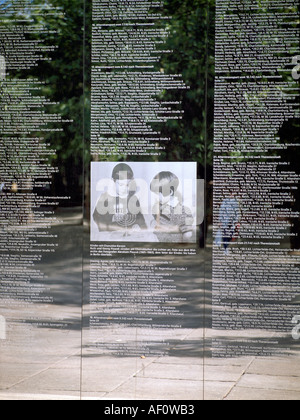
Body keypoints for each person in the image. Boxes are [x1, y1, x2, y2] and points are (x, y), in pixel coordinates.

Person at [93, 163, 147, 236]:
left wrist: (139, 228)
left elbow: (142, 223)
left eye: (127, 185)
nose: (124, 189)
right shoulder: (104, 199)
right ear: (113, 181)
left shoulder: (133, 199)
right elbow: (101, 225)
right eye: (121, 184)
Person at [150, 171, 194, 243]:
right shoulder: (157, 208)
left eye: (157, 194)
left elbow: (188, 234)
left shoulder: (183, 211)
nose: (154, 197)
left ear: (170, 192)